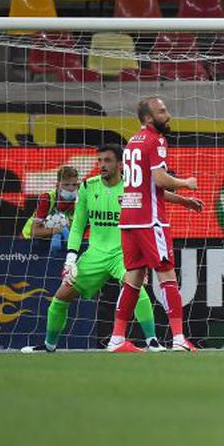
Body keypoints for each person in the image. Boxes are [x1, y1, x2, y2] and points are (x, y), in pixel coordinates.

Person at [21, 145, 204, 354]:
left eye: (107, 161)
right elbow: (78, 225)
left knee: (137, 289)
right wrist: (71, 259)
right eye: (99, 161)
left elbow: (157, 193)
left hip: (122, 253)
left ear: (120, 163)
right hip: (95, 254)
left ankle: (153, 342)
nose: (102, 165)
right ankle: (49, 345)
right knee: (61, 297)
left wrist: (185, 202)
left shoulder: (131, 185)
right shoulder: (88, 187)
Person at [107, 97, 200, 354]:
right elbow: (159, 180)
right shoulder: (156, 140)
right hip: (150, 221)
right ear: (148, 118)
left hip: (129, 221)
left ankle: (116, 339)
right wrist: (185, 183)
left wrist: (183, 201)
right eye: (162, 111)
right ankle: (179, 338)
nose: (167, 115)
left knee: (133, 280)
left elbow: (145, 186)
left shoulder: (132, 143)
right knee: (167, 275)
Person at [23, 165, 80, 254]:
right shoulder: (47, 199)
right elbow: (34, 231)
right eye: (66, 185)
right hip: (30, 242)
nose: (71, 189)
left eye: (74, 184)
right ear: (58, 185)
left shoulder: (80, 201)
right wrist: (58, 230)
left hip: (62, 242)